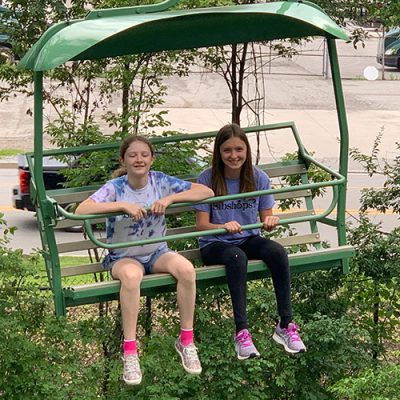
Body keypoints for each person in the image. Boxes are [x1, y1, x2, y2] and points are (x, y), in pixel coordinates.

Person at [76, 135, 214, 385]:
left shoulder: (159, 181)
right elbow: (81, 210)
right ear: (123, 160)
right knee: (131, 276)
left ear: (151, 159)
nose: (138, 159)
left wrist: (170, 198)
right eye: (132, 155)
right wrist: (120, 205)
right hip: (124, 256)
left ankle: (186, 340)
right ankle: (130, 351)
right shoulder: (115, 187)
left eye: (144, 155)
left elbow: (205, 191)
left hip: (156, 252)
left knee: (186, 270)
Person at [194, 123, 306, 360]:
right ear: (219, 152)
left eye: (238, 150)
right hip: (215, 243)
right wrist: (222, 226)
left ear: (246, 151)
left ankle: (285, 324)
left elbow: (266, 216)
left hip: (247, 237)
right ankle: (241, 331)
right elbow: (201, 225)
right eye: (227, 151)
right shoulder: (207, 178)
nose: (233, 156)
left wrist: (270, 221)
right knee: (237, 257)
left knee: (276, 252)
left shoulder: (258, 177)